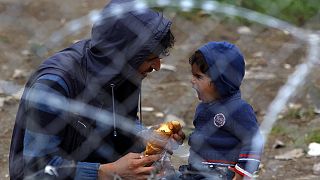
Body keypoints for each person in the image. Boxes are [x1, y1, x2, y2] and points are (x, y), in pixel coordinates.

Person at [9, 0, 185, 179]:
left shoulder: (124, 71)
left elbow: (121, 121)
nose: (157, 66)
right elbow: (35, 168)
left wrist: (145, 136)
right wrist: (106, 172)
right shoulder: (54, 85)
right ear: (126, 53)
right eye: (150, 58)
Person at [179, 41, 264, 180]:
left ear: (221, 80)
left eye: (198, 76)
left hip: (221, 174)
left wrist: (241, 173)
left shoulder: (239, 109)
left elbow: (254, 142)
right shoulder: (202, 108)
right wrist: (183, 137)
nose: (192, 81)